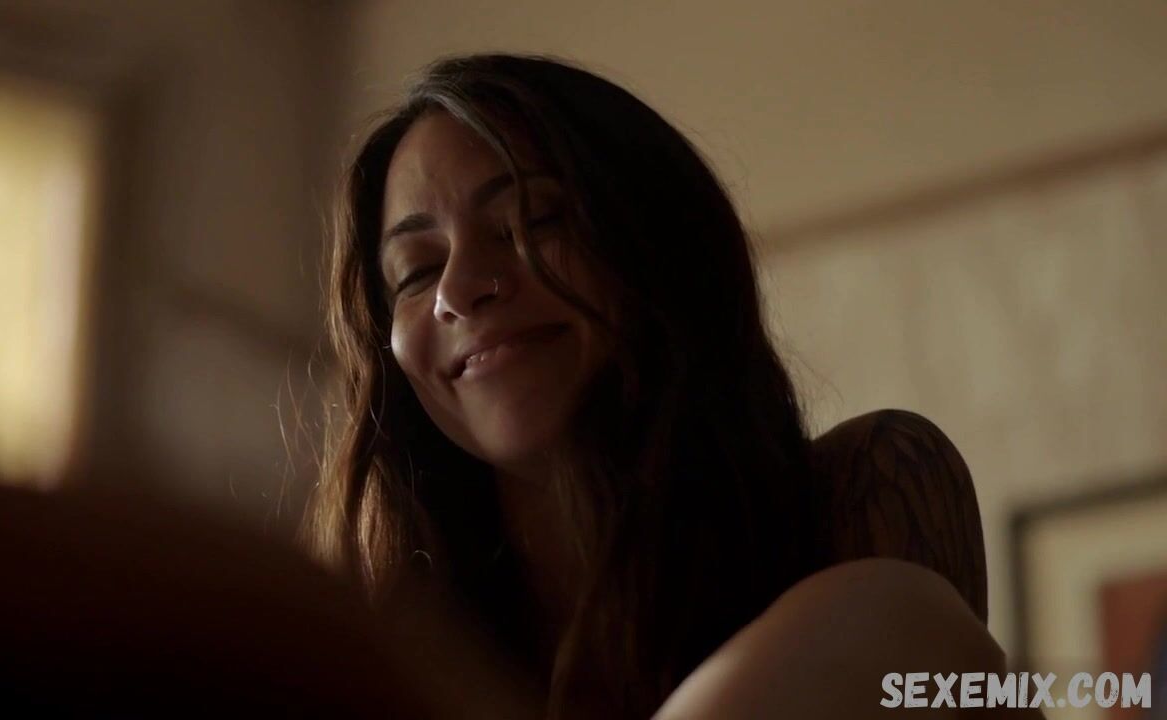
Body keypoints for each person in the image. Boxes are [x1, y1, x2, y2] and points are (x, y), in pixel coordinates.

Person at [301, 53, 1031, 719]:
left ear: (659, 246)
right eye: (417, 270)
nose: (458, 289)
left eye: (535, 219)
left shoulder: (864, 501)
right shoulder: (379, 639)